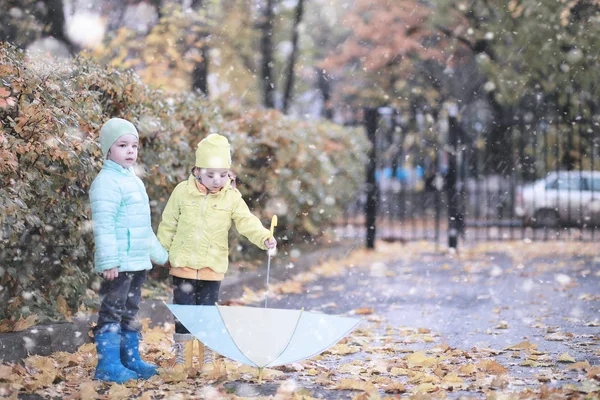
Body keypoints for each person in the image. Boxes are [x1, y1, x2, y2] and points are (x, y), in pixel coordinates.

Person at [157, 133, 277, 373]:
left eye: (223, 175)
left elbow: (246, 221)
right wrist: (162, 252)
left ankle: (207, 358)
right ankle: (182, 359)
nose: (216, 180)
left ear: (229, 173)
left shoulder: (231, 197)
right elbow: (168, 222)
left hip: (212, 266)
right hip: (183, 264)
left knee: (207, 312)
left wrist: (264, 236)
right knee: (184, 312)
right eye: (210, 174)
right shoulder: (182, 192)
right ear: (197, 170)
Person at [89, 118, 169, 383]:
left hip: (136, 262)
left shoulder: (134, 181)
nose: (130, 151)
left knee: (131, 310)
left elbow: (142, 226)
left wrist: (160, 255)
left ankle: (130, 359)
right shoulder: (106, 182)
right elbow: (104, 225)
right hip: (119, 265)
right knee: (112, 310)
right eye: (123, 145)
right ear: (108, 150)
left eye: (134, 145)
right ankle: (108, 365)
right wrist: (109, 261)